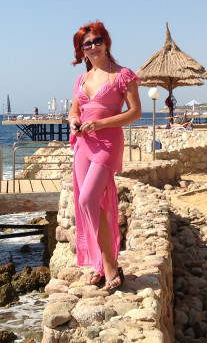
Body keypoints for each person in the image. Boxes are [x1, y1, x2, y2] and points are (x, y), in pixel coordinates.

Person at [67, 21, 142, 292]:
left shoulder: (123, 75)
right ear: (82, 50)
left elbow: (135, 112)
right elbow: (74, 111)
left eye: (97, 41)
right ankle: (99, 264)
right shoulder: (82, 79)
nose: (92, 47)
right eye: (86, 44)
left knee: (88, 199)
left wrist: (100, 123)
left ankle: (110, 263)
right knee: (87, 204)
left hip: (108, 143)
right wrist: (74, 122)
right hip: (83, 144)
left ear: (106, 42)